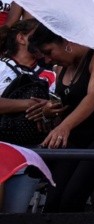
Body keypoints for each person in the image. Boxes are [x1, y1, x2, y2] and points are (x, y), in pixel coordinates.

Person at [26, 23, 94, 212]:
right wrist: (49, 111)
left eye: (49, 52)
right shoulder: (61, 68)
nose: (49, 60)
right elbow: (65, 103)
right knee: (54, 198)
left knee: (73, 197)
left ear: (66, 42)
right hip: (77, 136)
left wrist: (64, 127)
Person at [0, 20, 55, 213]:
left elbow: (59, 110)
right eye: (36, 33)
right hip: (2, 150)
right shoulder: (0, 67)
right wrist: (29, 104)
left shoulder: (52, 74)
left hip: (29, 156)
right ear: (21, 38)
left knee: (15, 214)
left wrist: (48, 110)